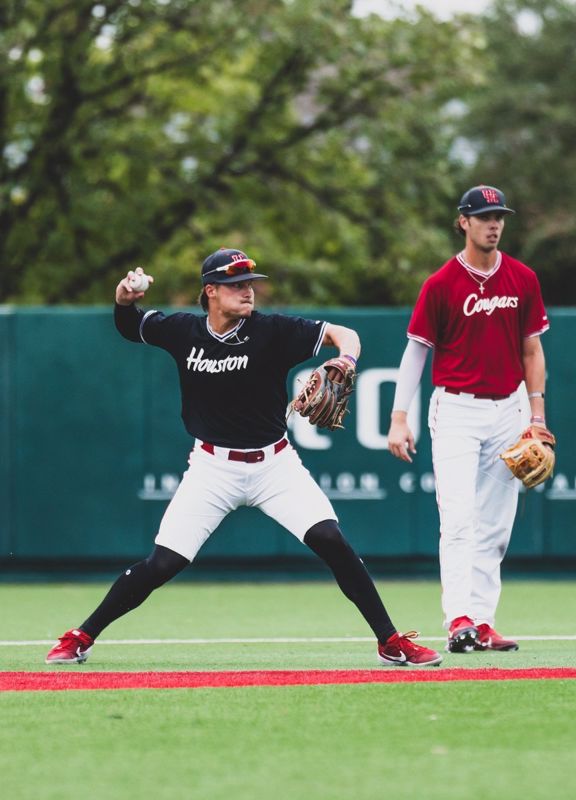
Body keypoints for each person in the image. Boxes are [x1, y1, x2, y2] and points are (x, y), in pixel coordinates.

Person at [46, 247, 443, 667]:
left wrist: (345, 358)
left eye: (250, 283)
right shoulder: (183, 331)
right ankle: (82, 635)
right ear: (211, 291)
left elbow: (346, 334)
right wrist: (124, 298)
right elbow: (130, 325)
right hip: (212, 468)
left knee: (331, 540)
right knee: (163, 562)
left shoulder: (273, 331)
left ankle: (390, 641)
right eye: (235, 284)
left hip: (275, 465)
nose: (247, 291)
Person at [387, 186, 550, 653]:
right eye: (483, 216)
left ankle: (482, 622)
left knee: (496, 525)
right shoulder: (441, 284)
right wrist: (399, 417)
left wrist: (536, 414)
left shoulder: (522, 278)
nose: (493, 224)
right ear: (464, 222)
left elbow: (532, 350)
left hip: (509, 407)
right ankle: (457, 618)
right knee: (458, 518)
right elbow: (416, 352)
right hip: (457, 408)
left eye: (499, 216)